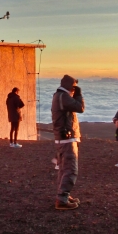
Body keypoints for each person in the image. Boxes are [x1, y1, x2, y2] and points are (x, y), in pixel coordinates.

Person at [51, 74, 84, 210]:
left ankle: (63, 194)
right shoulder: (64, 97)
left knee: (64, 169)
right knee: (71, 169)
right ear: (70, 86)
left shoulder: (58, 96)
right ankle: (62, 199)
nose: (74, 90)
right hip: (67, 139)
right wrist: (79, 95)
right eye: (74, 87)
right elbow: (80, 108)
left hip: (62, 138)